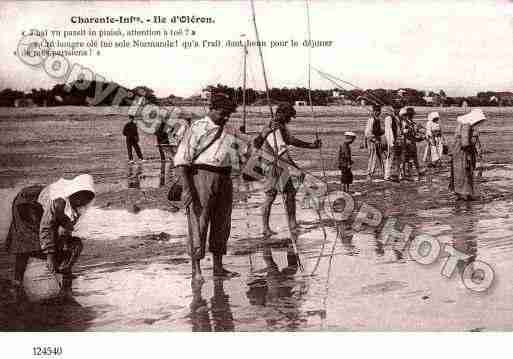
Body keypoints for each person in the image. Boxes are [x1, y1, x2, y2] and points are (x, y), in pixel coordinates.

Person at [173, 93, 242, 282]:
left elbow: (245, 151)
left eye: (229, 114)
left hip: (225, 179)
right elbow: (181, 160)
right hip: (201, 177)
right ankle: (196, 271)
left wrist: (265, 132)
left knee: (222, 223)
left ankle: (218, 267)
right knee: (199, 223)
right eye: (223, 113)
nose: (226, 117)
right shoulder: (197, 128)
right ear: (211, 109)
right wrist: (187, 189)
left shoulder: (230, 130)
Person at [4, 174, 95, 300]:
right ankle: (17, 280)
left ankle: (64, 274)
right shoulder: (58, 201)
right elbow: (47, 227)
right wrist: (50, 256)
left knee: (69, 243)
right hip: (27, 204)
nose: (82, 203)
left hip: (42, 207)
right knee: (25, 241)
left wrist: (63, 240)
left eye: (85, 200)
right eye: (79, 199)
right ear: (74, 194)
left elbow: (65, 228)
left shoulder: (79, 205)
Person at [257, 102, 321, 236]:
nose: (290, 120)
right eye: (288, 116)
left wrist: (311, 145)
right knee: (270, 196)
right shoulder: (273, 127)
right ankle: (265, 228)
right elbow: (281, 151)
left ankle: (293, 224)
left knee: (290, 193)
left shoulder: (281, 126)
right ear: (281, 114)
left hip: (280, 164)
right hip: (271, 165)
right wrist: (296, 168)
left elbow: (291, 140)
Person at [449, 108, 486, 201]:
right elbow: (465, 143)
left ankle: (462, 193)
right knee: (464, 172)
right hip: (462, 152)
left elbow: (473, 140)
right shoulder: (466, 125)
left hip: (461, 151)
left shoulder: (467, 124)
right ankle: (465, 194)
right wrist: (471, 154)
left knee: (461, 172)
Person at [399, 107, 424, 180]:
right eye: (411, 114)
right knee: (406, 159)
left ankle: (413, 172)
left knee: (412, 158)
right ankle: (405, 173)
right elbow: (404, 132)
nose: (411, 116)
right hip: (406, 142)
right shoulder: (404, 123)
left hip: (411, 142)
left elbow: (415, 132)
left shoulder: (411, 122)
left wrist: (419, 133)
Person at [364, 104, 385, 181]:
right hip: (372, 141)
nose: (377, 112)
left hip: (378, 140)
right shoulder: (371, 120)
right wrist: (374, 140)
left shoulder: (378, 119)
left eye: (379, 111)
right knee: (372, 158)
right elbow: (367, 133)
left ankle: (385, 173)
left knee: (381, 157)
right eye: (376, 111)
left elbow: (379, 131)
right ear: (373, 111)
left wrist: (384, 131)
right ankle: (369, 174)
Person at [383, 103, 403, 182]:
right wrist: (391, 142)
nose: (397, 110)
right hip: (391, 141)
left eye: (399, 108)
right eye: (396, 108)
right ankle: (387, 175)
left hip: (398, 140)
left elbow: (399, 130)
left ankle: (397, 174)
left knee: (398, 158)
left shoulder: (397, 118)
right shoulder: (389, 118)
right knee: (390, 158)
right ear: (393, 109)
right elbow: (388, 131)